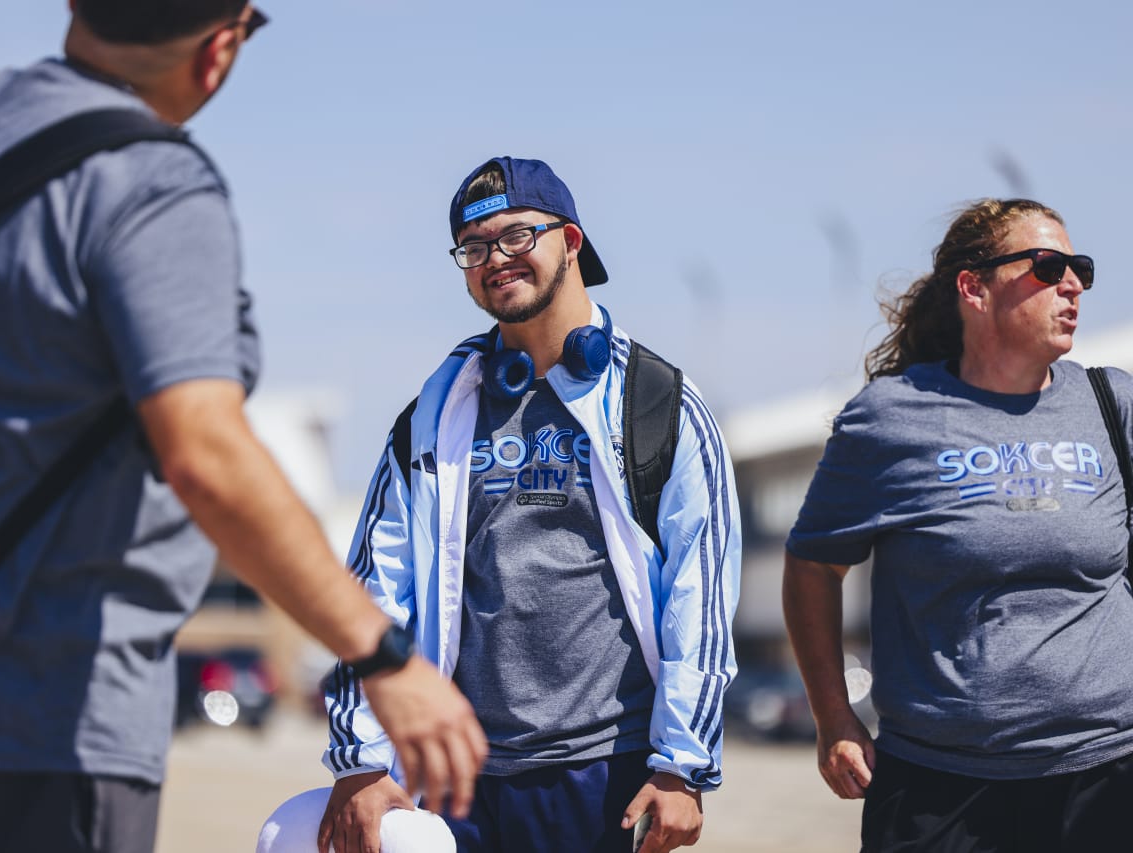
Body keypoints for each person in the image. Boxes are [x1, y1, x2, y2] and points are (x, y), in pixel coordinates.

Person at [0, 3, 484, 851]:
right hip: (50, 717)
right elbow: (207, 456)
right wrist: (383, 657)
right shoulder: (151, 182)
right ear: (219, 47)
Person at [313, 156, 742, 853]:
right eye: (474, 247)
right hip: (455, 774)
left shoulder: (658, 403)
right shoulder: (434, 414)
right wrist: (361, 757)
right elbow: (374, 588)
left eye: (517, 236)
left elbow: (701, 591)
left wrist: (683, 766)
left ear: (571, 241)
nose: (494, 259)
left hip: (608, 773)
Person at [783, 198, 1133, 851]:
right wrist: (833, 715)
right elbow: (812, 565)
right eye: (1049, 265)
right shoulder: (892, 417)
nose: (1073, 283)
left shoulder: (1112, 403)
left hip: (1108, 781)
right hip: (943, 792)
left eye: (1078, 267)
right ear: (973, 287)